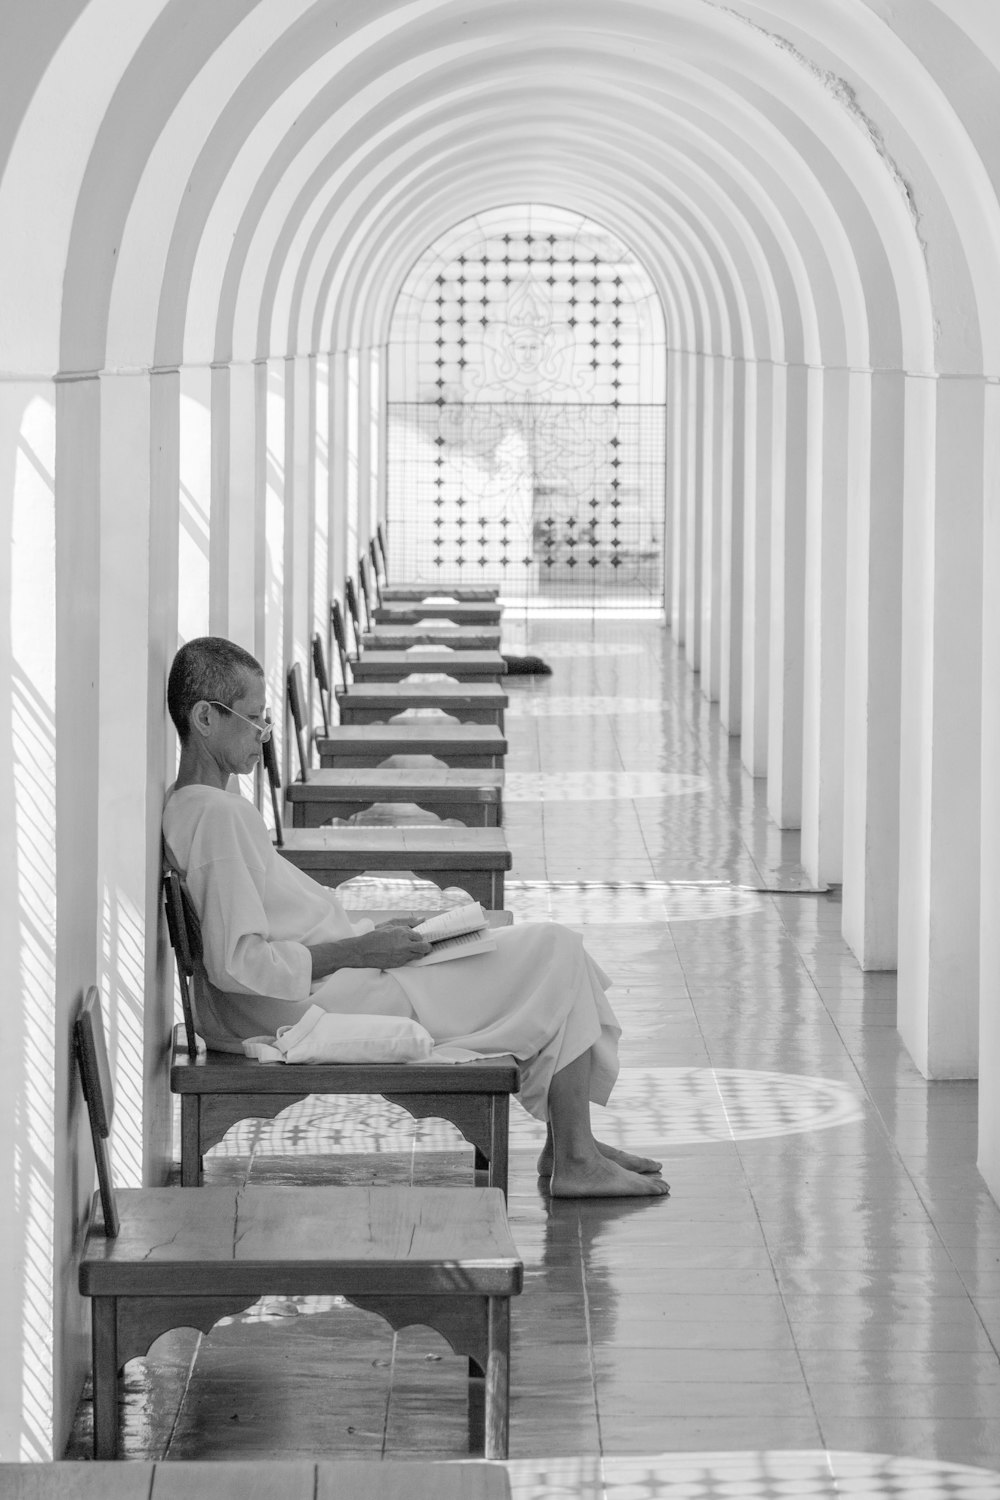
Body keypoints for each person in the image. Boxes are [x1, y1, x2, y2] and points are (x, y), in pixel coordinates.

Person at [161, 636, 669, 1200]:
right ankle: (575, 1153)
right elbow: (240, 963)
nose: (264, 737)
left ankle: (574, 1144)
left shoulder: (202, 809)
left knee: (533, 948)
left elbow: (264, 929)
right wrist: (361, 950)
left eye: (267, 721)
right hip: (321, 1004)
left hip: (339, 979)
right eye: (254, 721)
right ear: (205, 717)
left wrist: (367, 937)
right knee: (555, 948)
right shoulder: (216, 817)